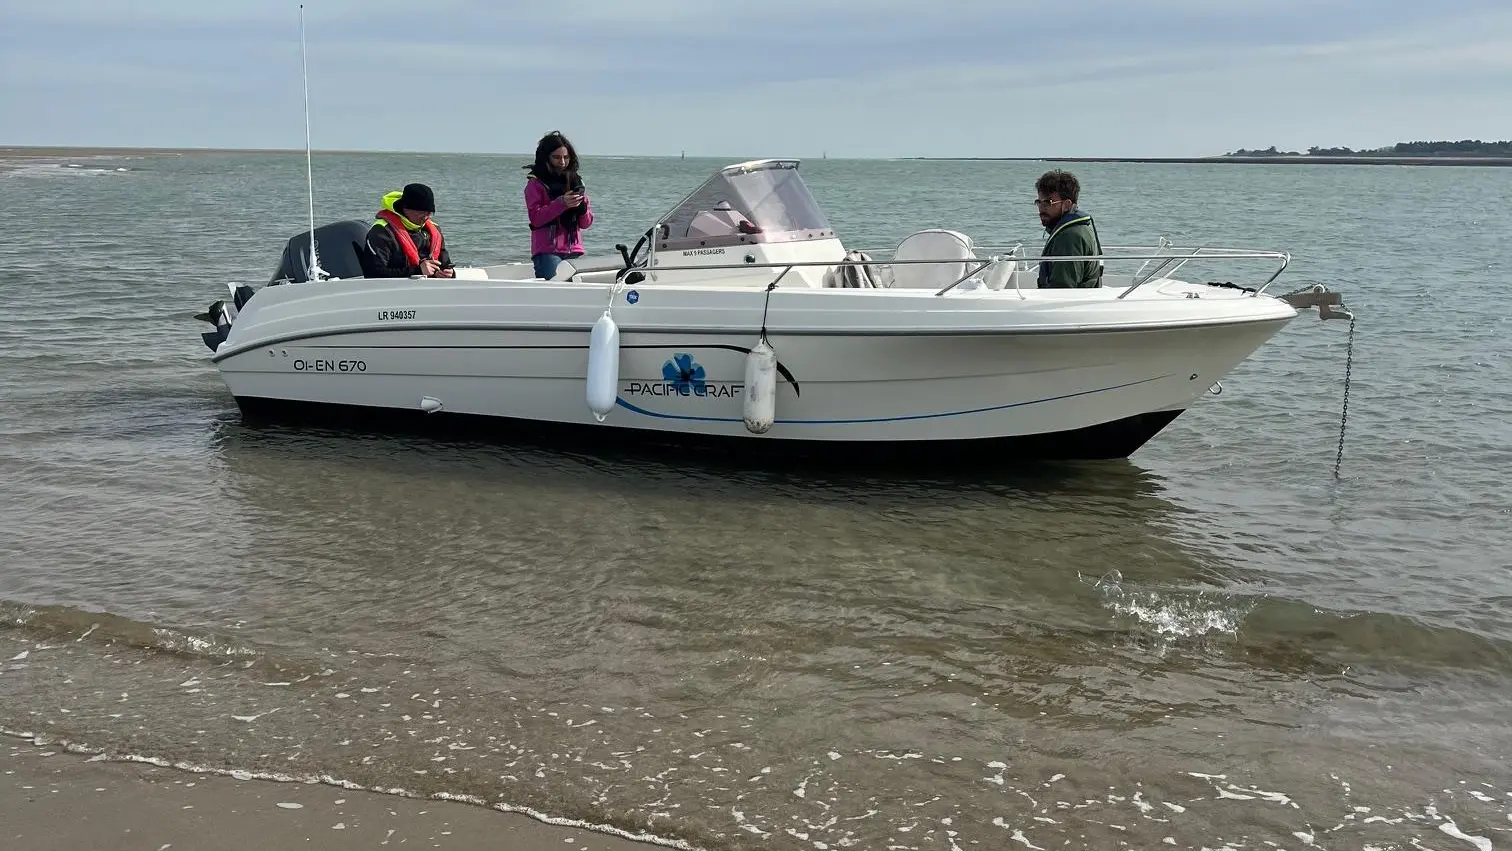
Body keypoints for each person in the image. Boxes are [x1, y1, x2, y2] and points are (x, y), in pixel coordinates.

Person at [523, 131, 593, 279]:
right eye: (556, 157)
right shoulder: (535, 184)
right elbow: (536, 218)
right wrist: (561, 203)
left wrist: (582, 209)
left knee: (575, 295)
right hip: (548, 251)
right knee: (554, 293)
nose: (562, 162)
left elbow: (586, 224)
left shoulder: (576, 182)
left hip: (574, 249)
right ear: (546, 157)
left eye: (565, 157)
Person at [360, 182, 454, 279]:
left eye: (429, 213)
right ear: (405, 209)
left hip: (425, 289)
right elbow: (373, 273)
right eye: (421, 212)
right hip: (394, 290)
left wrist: (447, 273)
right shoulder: (382, 232)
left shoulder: (434, 230)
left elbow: (446, 263)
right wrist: (417, 271)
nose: (425, 217)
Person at [1034, 169, 1102, 288]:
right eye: (1038, 202)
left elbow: (1063, 288)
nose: (1041, 208)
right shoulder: (1075, 229)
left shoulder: (1070, 237)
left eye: (1047, 202)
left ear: (1067, 205)